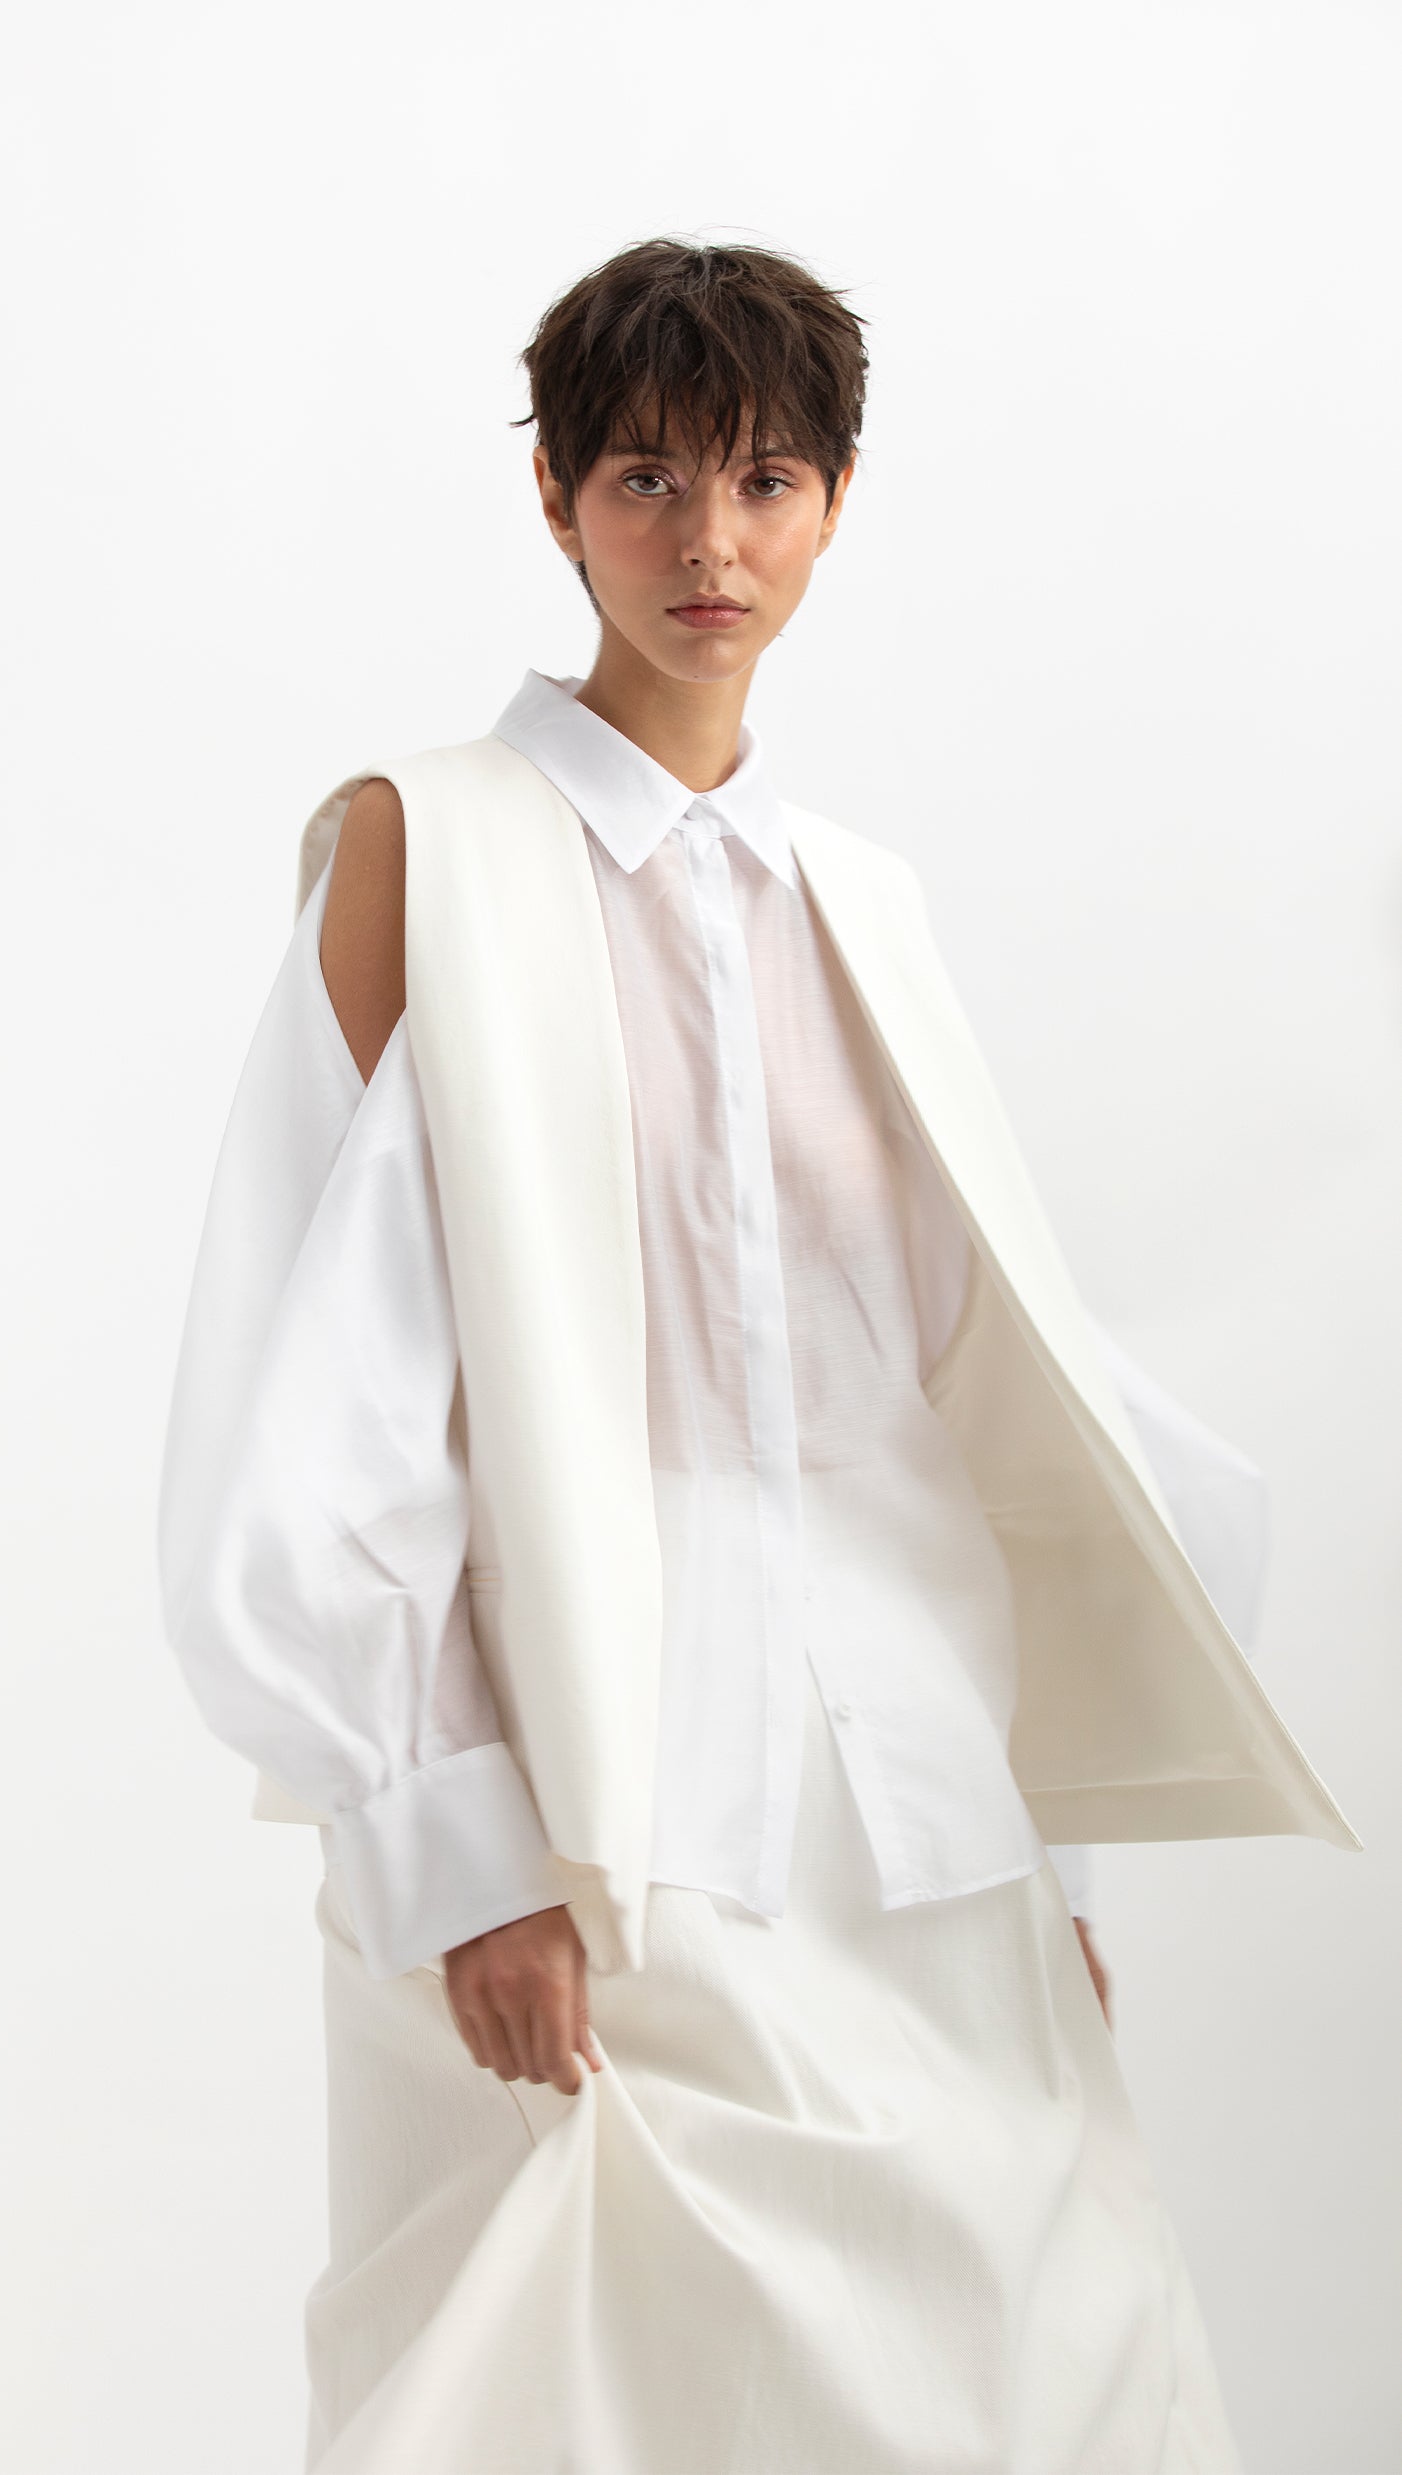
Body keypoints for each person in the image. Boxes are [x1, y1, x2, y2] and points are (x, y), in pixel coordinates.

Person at [157, 238, 1357, 2472]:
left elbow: (980, 1403)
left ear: (833, 503)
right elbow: (319, 1390)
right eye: (644, 477)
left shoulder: (857, 902)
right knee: (564, 2371)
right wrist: (452, 1843)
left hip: (913, 1804)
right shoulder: (426, 849)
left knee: (1017, 2352)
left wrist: (1053, 1865)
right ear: (553, 497)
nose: (707, 541)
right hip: (589, 1791)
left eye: (766, 480)